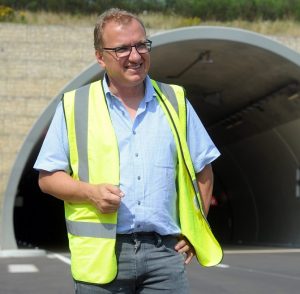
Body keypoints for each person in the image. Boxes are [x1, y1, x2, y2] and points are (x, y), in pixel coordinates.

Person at [34, 8, 222, 294]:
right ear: (100, 57)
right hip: (101, 258)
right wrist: (90, 193)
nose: (135, 56)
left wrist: (196, 227)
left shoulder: (176, 101)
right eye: (122, 48)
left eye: (141, 45)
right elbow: (48, 178)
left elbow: (203, 167)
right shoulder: (74, 106)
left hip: (164, 257)